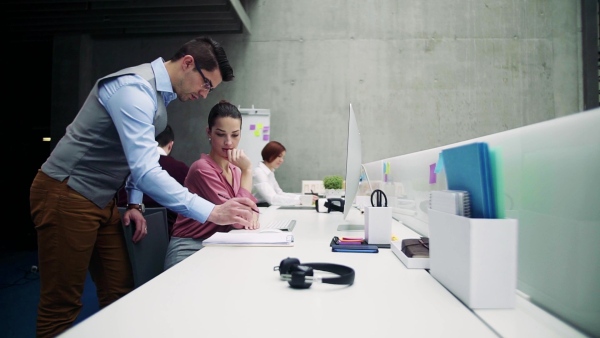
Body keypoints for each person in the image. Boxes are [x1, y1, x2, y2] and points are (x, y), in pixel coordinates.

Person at [29, 36, 258, 338]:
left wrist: (135, 202)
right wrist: (212, 211)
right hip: (67, 192)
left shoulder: (158, 97)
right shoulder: (134, 89)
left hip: (103, 199)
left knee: (120, 293)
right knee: (61, 304)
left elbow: (140, 154)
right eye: (206, 84)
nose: (204, 95)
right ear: (188, 63)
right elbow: (148, 169)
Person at [164, 100, 259, 270]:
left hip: (216, 247)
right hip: (190, 250)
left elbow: (251, 212)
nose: (229, 142)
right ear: (209, 132)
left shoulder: (235, 170)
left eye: (235, 135)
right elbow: (238, 220)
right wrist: (248, 170)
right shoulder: (202, 169)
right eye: (221, 134)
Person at [117, 124, 189, 236]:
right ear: (170, 145)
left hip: (123, 233)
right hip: (166, 238)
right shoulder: (181, 170)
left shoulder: (124, 167)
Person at [252, 141, 318, 206]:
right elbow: (272, 199)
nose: (281, 160)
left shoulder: (270, 172)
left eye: (283, 157)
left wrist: (303, 198)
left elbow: (279, 193)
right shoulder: (259, 173)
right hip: (257, 208)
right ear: (269, 154)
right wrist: (301, 201)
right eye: (279, 156)